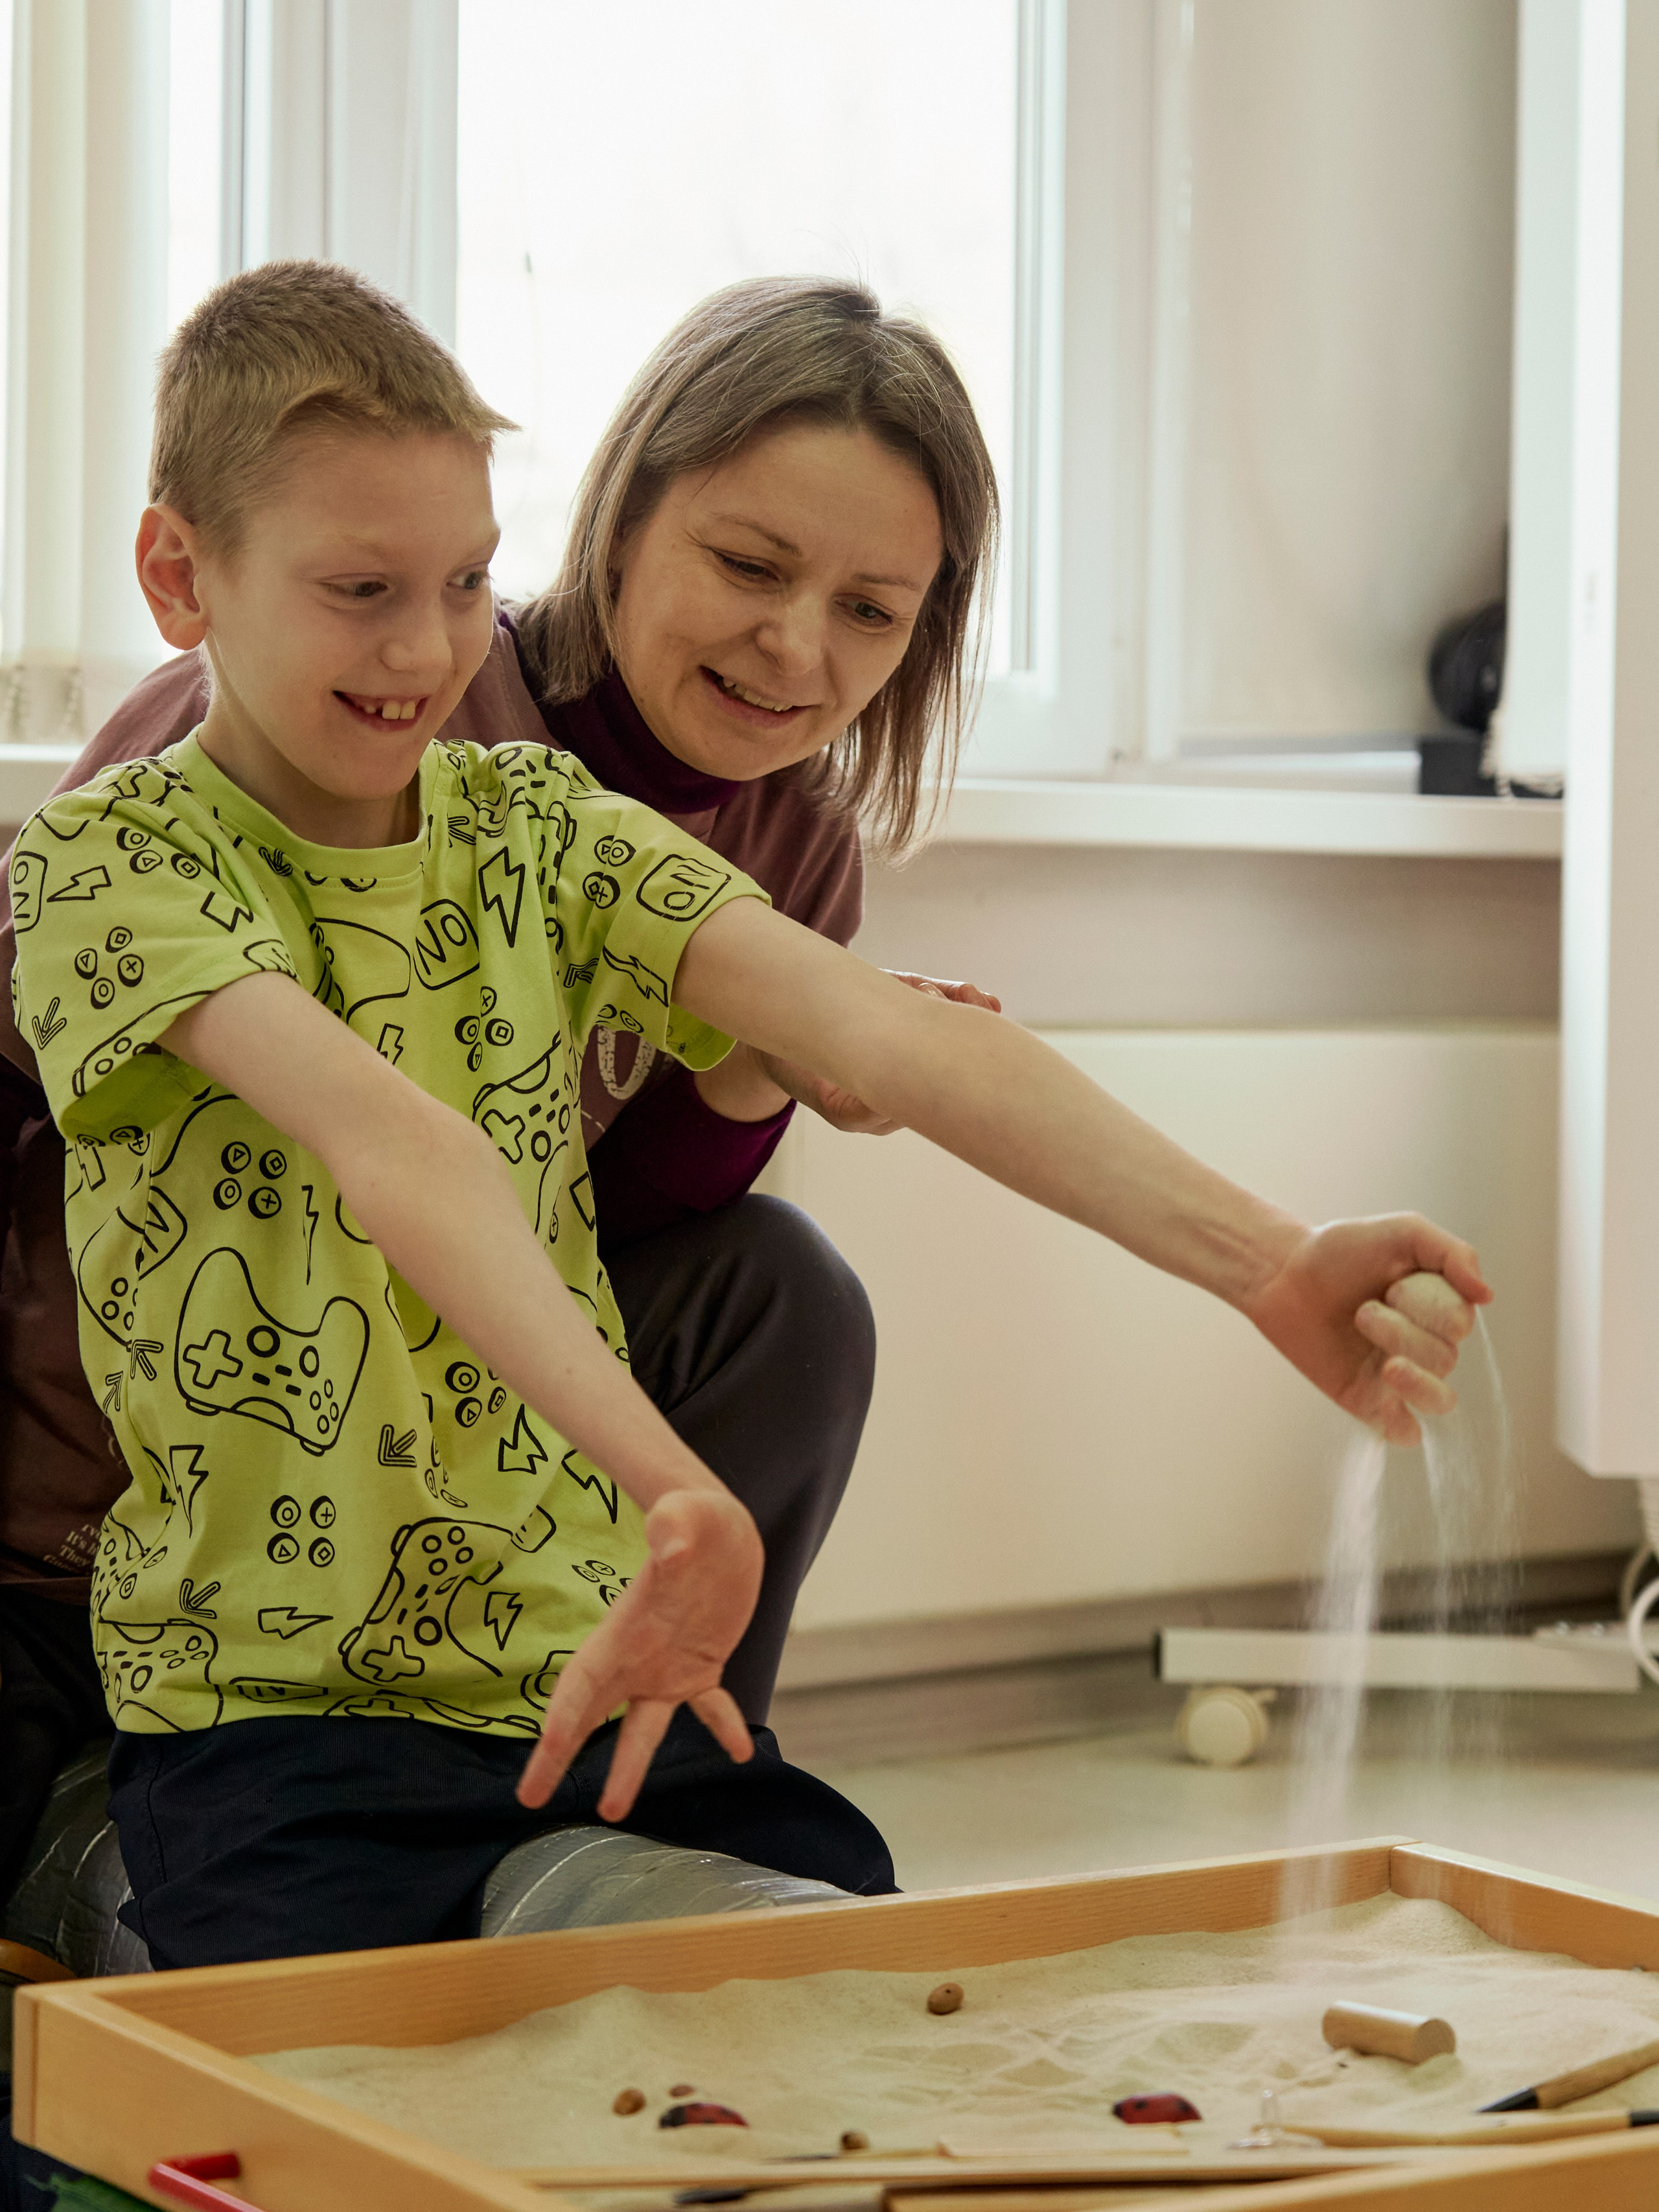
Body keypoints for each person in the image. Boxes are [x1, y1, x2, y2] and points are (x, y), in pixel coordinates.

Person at [10, 261, 1487, 1975]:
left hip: (530, 1635)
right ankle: (76, 1848)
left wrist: (1274, 1260)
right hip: (249, 1665)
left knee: (798, 1961)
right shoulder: (115, 849)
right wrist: (666, 1472)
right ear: (183, 579)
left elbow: (891, 1039)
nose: (424, 647)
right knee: (338, 2023)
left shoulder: (535, 817)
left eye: (464, 584)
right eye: (362, 588)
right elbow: (401, 1145)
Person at [0, 274, 1003, 1902]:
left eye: (870, 612)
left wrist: (769, 1060)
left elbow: (623, 1205)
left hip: (462, 1383)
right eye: (747, 567)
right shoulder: (329, 717)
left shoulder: (774, 837)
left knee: (783, 1291)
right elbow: (75, 1037)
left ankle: (646, 1742)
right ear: (618, 524)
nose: (792, 646)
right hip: (167, 1400)